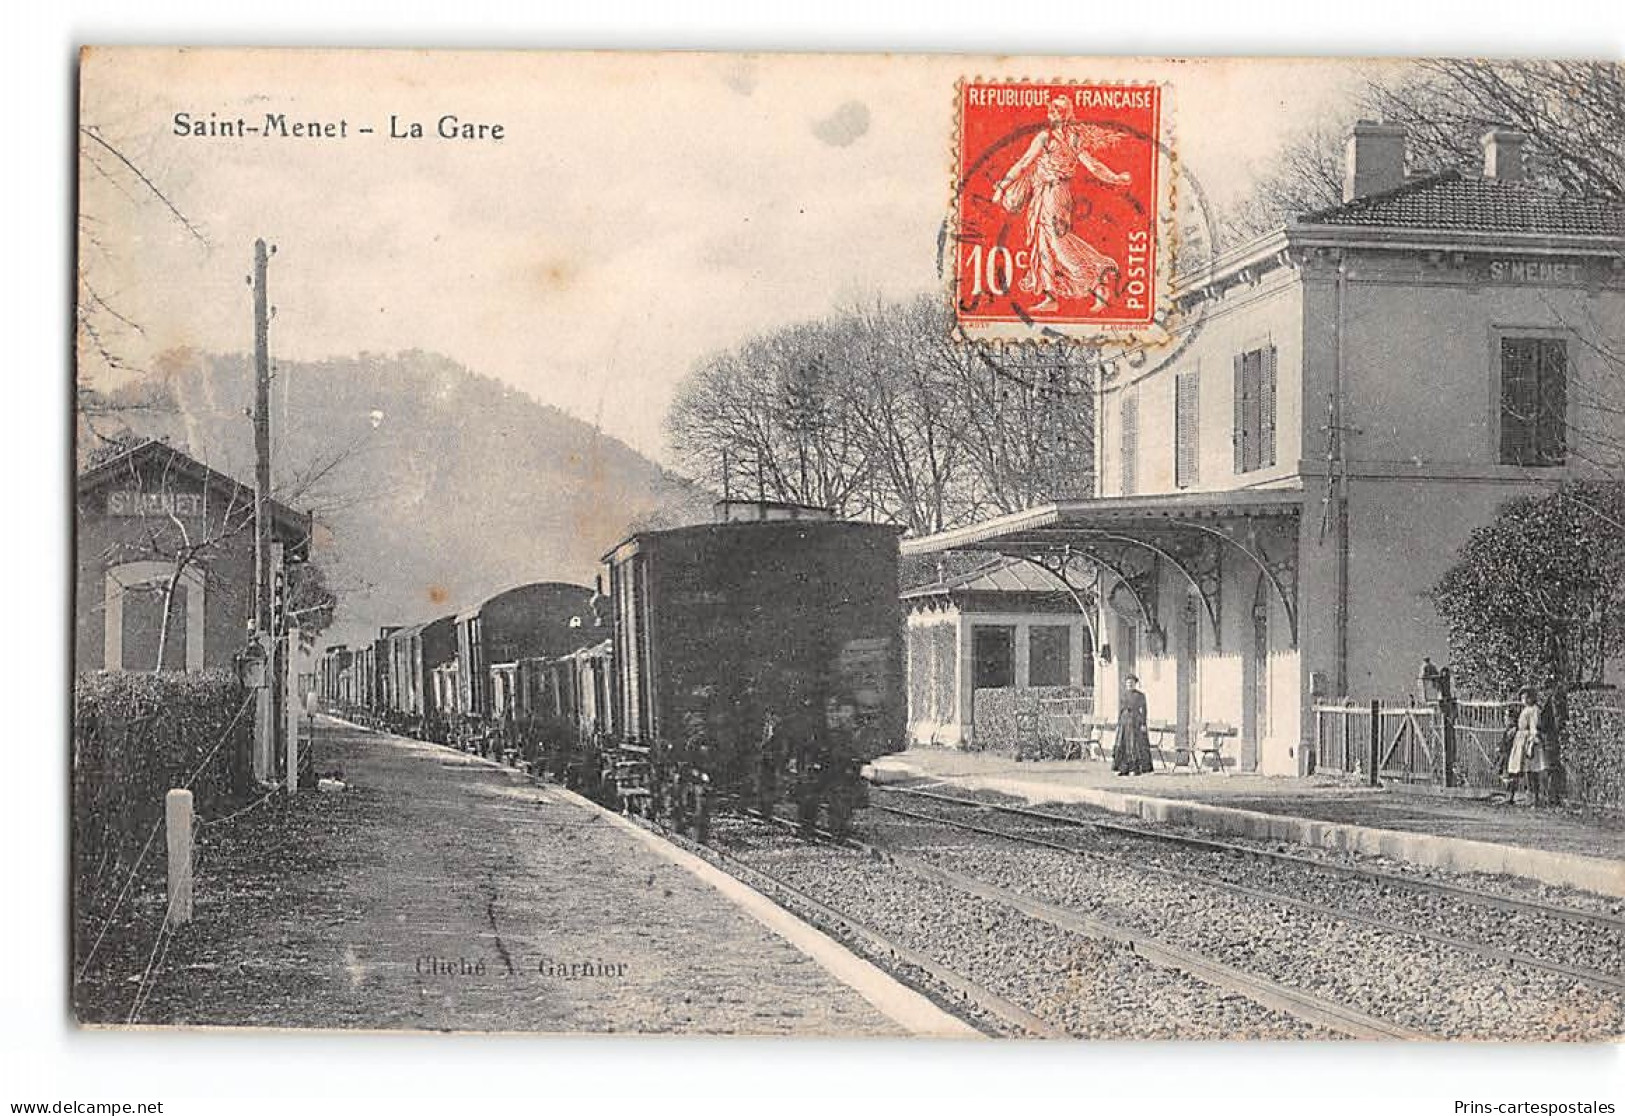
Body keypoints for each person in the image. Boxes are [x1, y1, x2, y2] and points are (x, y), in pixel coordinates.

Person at [990, 95, 1132, 314]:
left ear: (1063, 114)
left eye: (1057, 109)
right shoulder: (1063, 138)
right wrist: (1115, 178)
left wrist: (1001, 188)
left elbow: (1025, 163)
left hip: (1054, 195)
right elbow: (1091, 165)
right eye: (1052, 108)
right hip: (1047, 194)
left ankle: (1097, 283)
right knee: (1044, 243)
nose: (1053, 112)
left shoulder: (1049, 138)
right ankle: (1050, 296)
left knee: (1057, 243)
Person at [1506, 686, 1544, 806]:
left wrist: (1532, 742)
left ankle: (1535, 798)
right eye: (1523, 697)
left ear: (1532, 698)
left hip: (1527, 741)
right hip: (1520, 740)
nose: (1524, 699)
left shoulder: (1534, 710)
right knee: (1516, 768)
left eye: (1527, 697)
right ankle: (1511, 796)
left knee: (1531, 770)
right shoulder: (1525, 710)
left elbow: (1534, 727)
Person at [1112, 673, 1155, 776]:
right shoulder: (1123, 695)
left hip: (1136, 722)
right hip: (1124, 722)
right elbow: (1120, 709)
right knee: (1123, 745)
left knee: (1134, 745)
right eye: (1128, 683)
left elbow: (1144, 710)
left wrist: (1143, 724)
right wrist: (1119, 723)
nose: (1129, 685)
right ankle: (1123, 769)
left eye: (1131, 683)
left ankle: (1136, 769)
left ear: (1135, 684)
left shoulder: (1140, 696)